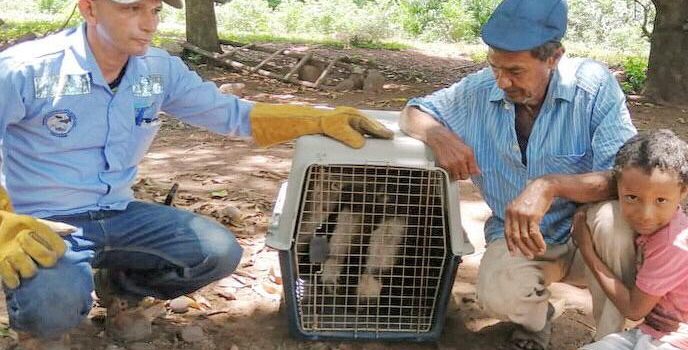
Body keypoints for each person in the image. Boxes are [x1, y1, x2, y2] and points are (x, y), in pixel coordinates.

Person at [0, 0, 393, 346]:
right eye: (131, 8)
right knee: (53, 303)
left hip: (119, 212)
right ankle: (40, 333)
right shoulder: (28, 71)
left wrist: (318, 121)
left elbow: (232, 115)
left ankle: (120, 289)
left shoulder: (157, 71)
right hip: (43, 223)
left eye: (154, 9)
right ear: (88, 8)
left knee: (217, 251)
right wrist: (3, 221)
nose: (149, 22)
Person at [400, 0, 637, 348]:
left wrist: (550, 185)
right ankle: (538, 320)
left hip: (585, 237)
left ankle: (609, 340)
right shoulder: (480, 90)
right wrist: (439, 136)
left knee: (616, 220)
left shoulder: (594, 87)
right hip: (518, 238)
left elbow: (622, 179)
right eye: (495, 66)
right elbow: (413, 111)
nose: (502, 81)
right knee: (498, 295)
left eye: (515, 71)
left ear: (554, 57)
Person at [574, 129, 688, 350]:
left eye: (661, 200)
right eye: (632, 197)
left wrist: (587, 249)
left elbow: (634, 310)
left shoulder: (673, 243)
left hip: (675, 338)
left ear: (683, 192)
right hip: (649, 332)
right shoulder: (664, 228)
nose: (645, 214)